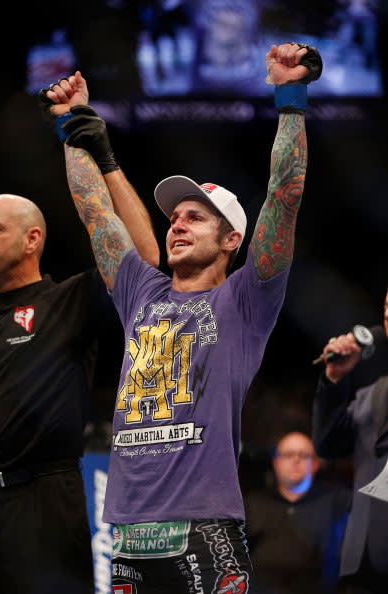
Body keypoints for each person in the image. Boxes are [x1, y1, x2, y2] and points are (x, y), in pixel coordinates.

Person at [45, 42, 322, 593]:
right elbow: (94, 211)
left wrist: (290, 98)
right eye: (174, 216)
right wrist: (69, 122)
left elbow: (284, 196)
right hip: (126, 529)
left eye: (196, 217)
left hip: (205, 526)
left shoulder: (247, 299)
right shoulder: (140, 292)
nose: (177, 224)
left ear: (232, 240)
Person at [0, 77, 159, 593]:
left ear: (31, 238)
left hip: (43, 501)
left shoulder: (67, 302)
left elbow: (144, 259)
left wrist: (97, 154)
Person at [312, 289, 388, 594]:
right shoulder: (372, 394)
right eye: (386, 305)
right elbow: (327, 444)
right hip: (366, 562)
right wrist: (335, 378)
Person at [244, 431, 351, 594]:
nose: (296, 460)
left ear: (315, 464)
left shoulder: (337, 502)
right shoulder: (253, 504)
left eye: (303, 455)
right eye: (288, 455)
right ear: (276, 462)